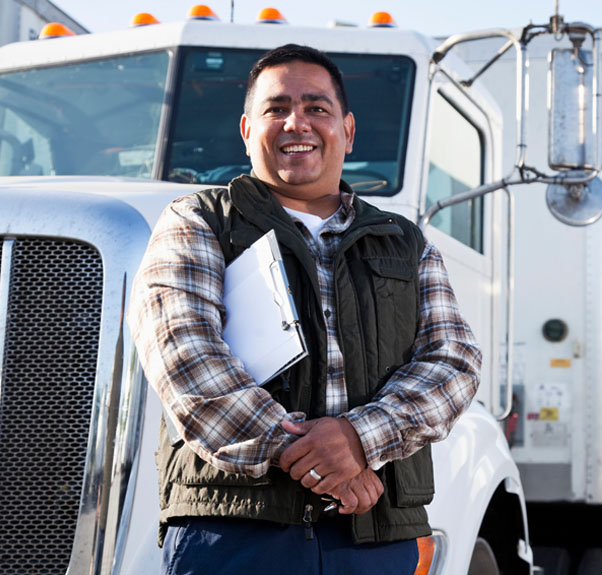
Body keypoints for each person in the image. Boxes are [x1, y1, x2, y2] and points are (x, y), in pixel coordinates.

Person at [128, 43, 481, 575]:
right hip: (236, 532)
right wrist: (327, 467)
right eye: (277, 109)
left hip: (376, 536)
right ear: (248, 130)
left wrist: (360, 439)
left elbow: (454, 362)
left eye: (316, 107)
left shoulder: (406, 243)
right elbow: (185, 358)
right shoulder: (196, 221)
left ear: (348, 130)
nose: (297, 123)